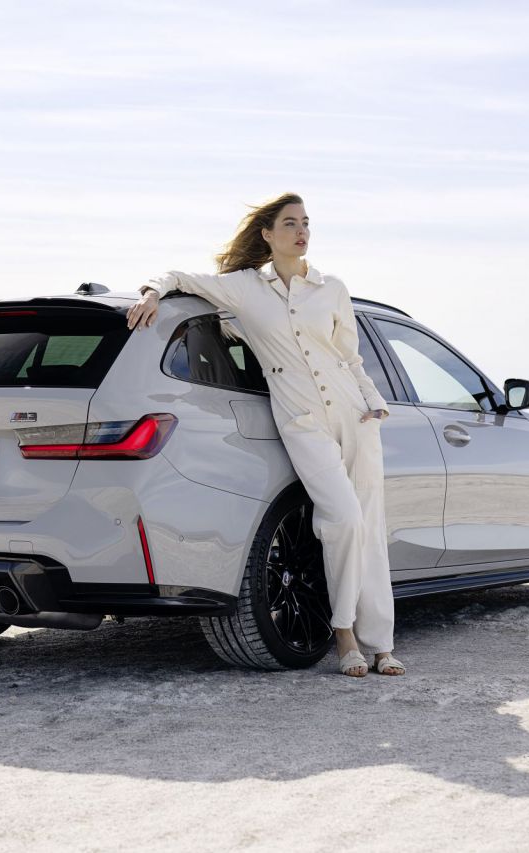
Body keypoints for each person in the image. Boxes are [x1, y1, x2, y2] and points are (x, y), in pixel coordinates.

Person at [125, 192, 405, 678]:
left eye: (306, 223)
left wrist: (373, 400)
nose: (302, 232)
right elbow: (177, 277)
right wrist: (151, 292)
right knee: (343, 520)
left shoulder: (332, 288)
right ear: (268, 234)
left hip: (356, 413)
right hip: (302, 421)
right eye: (290, 223)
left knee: (369, 526)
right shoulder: (244, 289)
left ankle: (381, 645)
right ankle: (344, 634)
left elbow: (349, 356)